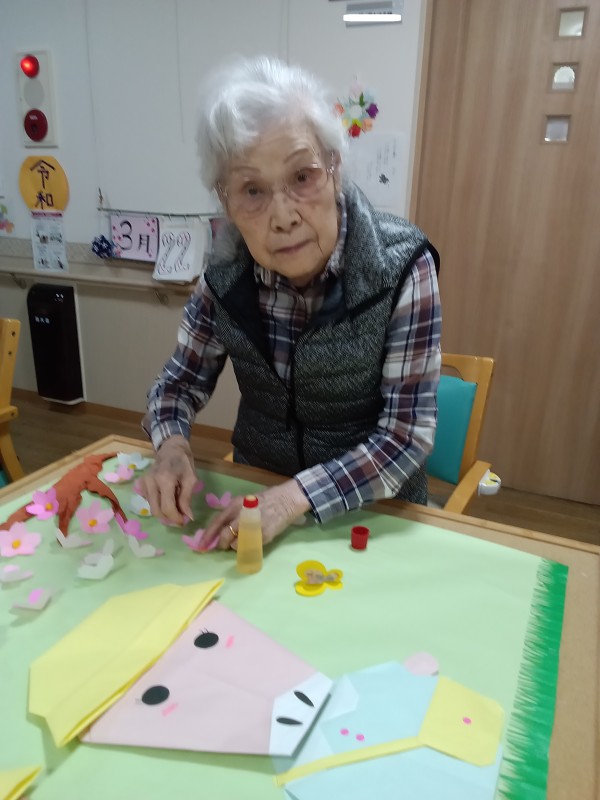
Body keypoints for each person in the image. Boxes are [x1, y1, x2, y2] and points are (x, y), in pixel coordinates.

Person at [141, 55, 441, 551]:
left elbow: (405, 437)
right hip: (256, 501)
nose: (282, 217)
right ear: (225, 200)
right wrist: (171, 446)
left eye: (303, 176)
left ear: (335, 168)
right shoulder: (224, 277)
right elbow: (177, 386)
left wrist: (293, 499)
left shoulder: (402, 266)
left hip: (373, 514)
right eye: (252, 190)